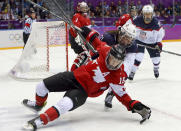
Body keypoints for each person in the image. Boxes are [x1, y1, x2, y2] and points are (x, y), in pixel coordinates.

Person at [22, 26, 151, 130]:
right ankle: (39, 105)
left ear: (121, 62)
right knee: (40, 86)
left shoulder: (117, 76)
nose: (113, 63)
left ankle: (39, 121)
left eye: (117, 62)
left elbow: (123, 96)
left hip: (83, 91)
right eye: (112, 58)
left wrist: (135, 105)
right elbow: (95, 40)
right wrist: (84, 29)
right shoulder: (105, 49)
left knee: (65, 104)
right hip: (73, 76)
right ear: (109, 53)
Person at [102, 6, 138, 109]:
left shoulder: (132, 46)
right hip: (104, 60)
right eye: (125, 38)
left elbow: (128, 64)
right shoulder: (108, 37)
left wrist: (122, 75)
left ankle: (110, 93)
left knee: (122, 75)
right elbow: (97, 52)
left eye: (130, 39)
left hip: (119, 59)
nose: (127, 42)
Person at [126, 5, 165, 80]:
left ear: (152, 14)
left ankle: (156, 68)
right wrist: (128, 35)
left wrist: (159, 44)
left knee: (156, 59)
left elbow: (161, 34)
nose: (148, 16)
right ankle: (132, 72)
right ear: (143, 14)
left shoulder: (156, 23)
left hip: (152, 42)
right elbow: (128, 24)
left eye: (149, 14)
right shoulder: (137, 19)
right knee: (139, 56)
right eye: (146, 14)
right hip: (139, 40)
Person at [69, 1, 91, 71]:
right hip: (77, 40)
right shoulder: (77, 16)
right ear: (79, 9)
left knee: (88, 53)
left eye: (85, 8)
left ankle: (82, 68)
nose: (85, 9)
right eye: (83, 8)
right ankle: (74, 70)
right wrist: (77, 36)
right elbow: (74, 29)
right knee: (84, 53)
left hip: (83, 39)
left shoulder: (84, 17)